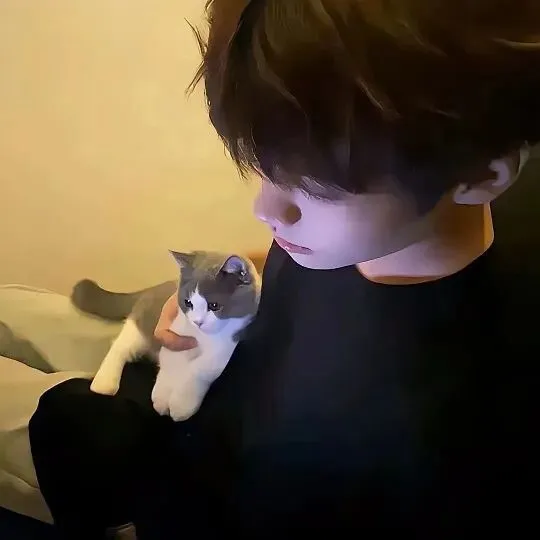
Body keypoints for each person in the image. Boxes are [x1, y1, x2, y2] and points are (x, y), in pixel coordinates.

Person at [29, 1, 539, 537]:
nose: (266, 210)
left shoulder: (418, 446)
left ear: (481, 175)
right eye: (266, 168)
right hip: (199, 372)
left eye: (319, 186)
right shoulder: (375, 228)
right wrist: (237, 279)